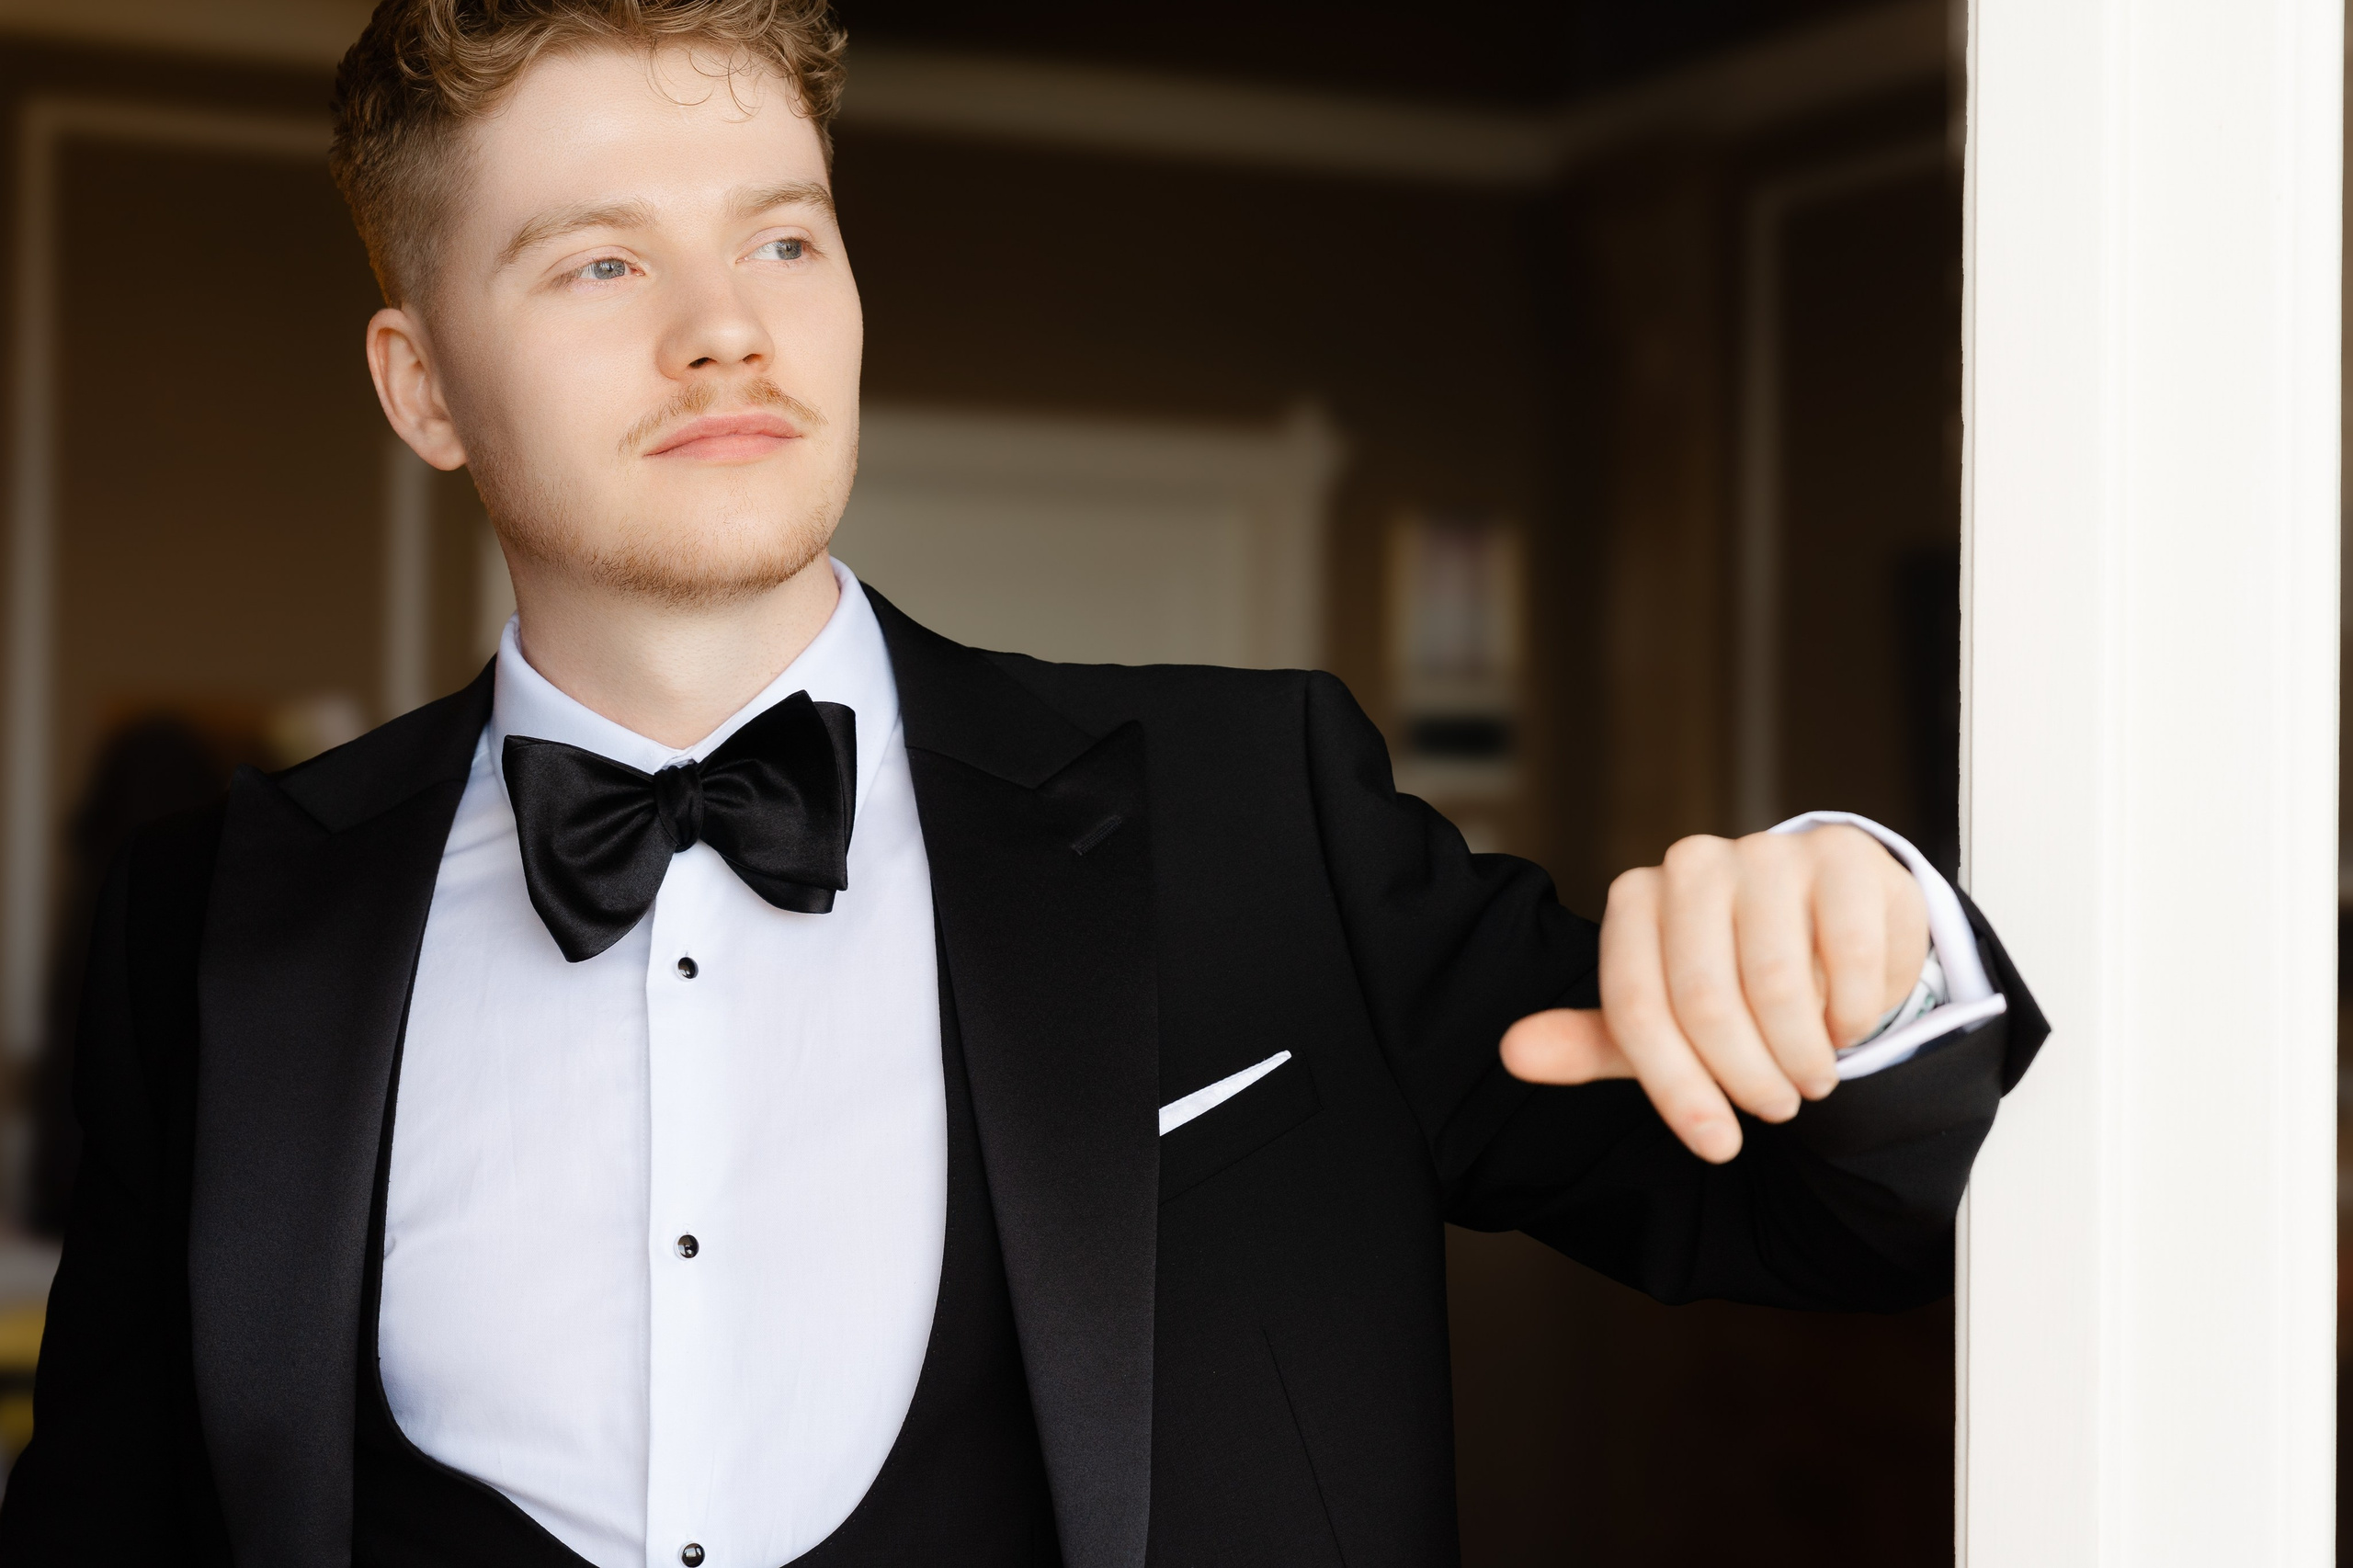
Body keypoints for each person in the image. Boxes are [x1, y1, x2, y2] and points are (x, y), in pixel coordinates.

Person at [0, 4, 2045, 1565]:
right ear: (422, 384)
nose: (727, 331)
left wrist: (1861, 947)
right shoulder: (217, 912)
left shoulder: (1259, 813)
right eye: (599, 265)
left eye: (782, 237)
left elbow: (1825, 1217)